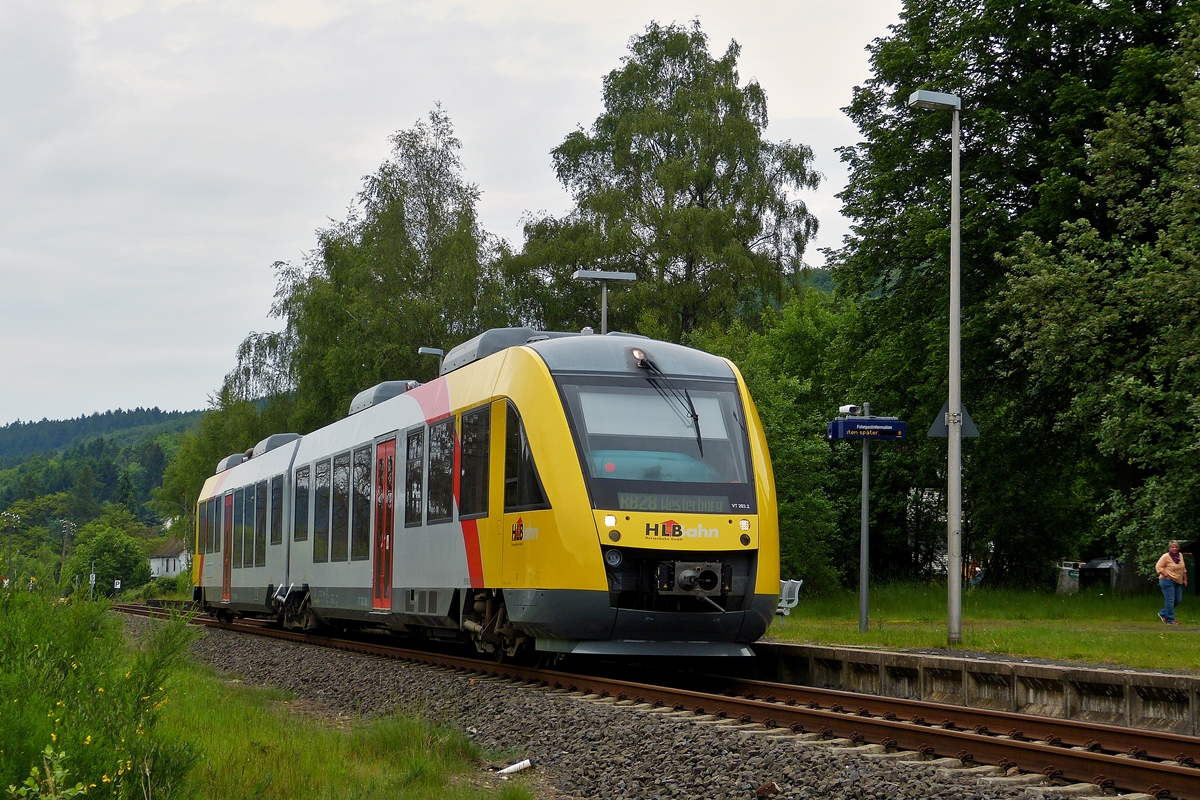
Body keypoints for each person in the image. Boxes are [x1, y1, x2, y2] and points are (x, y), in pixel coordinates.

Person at [1156, 541, 1187, 624]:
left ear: (1178, 548)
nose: (1174, 549)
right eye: (1172, 547)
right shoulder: (1166, 556)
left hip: (1178, 581)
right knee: (1170, 600)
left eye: (1176, 547)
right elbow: (1158, 566)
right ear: (1169, 548)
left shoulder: (1180, 555)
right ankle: (1170, 619)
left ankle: (1163, 613)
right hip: (1167, 581)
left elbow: (1183, 568)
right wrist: (1166, 575)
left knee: (1178, 600)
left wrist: (1185, 579)